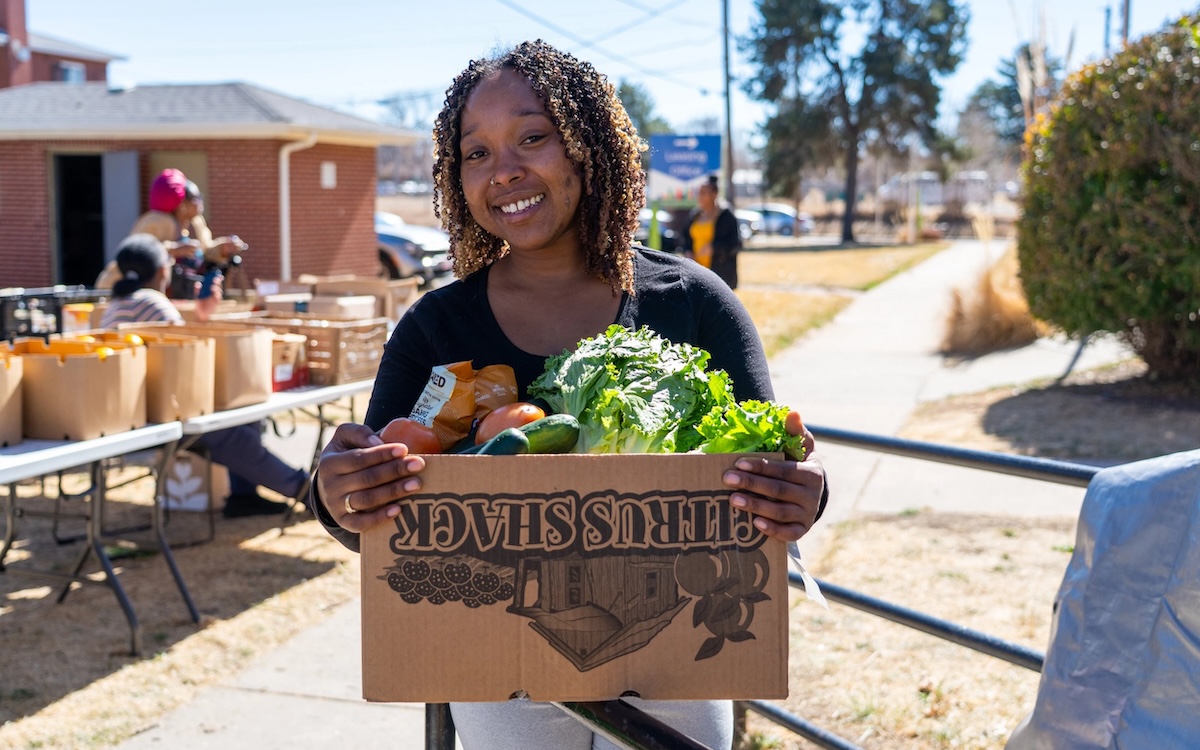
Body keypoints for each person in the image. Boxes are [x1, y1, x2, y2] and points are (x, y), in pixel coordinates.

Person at [311, 40, 827, 750]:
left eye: (533, 137)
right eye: (477, 153)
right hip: (501, 670)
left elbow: (773, 456)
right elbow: (374, 511)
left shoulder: (695, 304)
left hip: (677, 659)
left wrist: (804, 492)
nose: (505, 171)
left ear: (587, 146)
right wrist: (339, 494)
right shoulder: (436, 326)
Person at [101, 233, 309, 518]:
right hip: (162, 415)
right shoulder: (153, 303)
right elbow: (187, 353)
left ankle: (246, 497)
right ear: (163, 270)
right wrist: (203, 314)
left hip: (132, 410)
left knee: (243, 419)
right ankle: (307, 492)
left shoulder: (114, 306)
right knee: (234, 430)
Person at [95, 169, 246, 291]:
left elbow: (204, 251)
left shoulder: (195, 222)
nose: (201, 202)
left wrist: (222, 249)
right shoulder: (156, 221)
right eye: (196, 198)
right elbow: (137, 253)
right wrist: (173, 249)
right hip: (120, 289)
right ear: (182, 205)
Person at [680, 174, 741, 289]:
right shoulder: (694, 216)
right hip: (696, 273)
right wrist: (687, 251)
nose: (700, 197)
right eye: (699, 193)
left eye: (704, 193)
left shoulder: (726, 216)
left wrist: (714, 248)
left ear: (714, 194)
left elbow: (736, 244)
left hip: (719, 274)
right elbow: (684, 239)